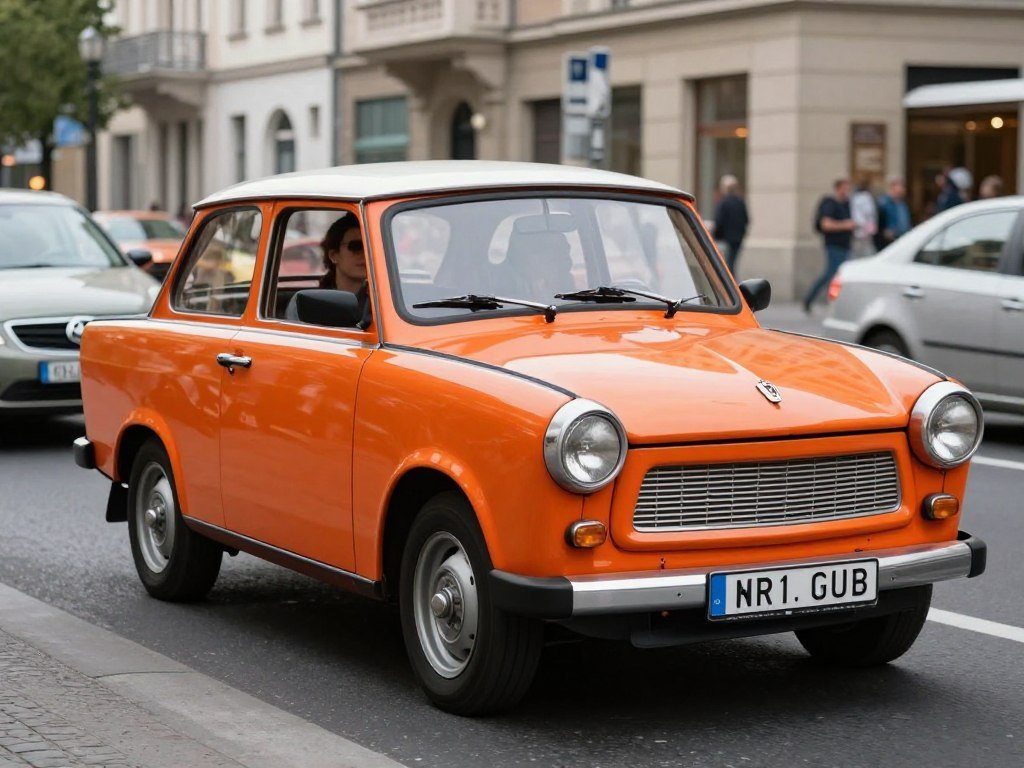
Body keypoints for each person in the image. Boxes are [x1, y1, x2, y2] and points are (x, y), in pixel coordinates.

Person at [286, 212, 369, 325]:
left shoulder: (384, 302)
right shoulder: (307, 303)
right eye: (356, 246)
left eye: (369, 247)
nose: (365, 254)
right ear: (334, 255)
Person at [804, 178, 855, 314]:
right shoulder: (830, 203)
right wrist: (846, 225)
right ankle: (810, 299)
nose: (847, 190)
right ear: (838, 188)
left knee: (837, 276)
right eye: (845, 187)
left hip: (845, 245)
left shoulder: (847, 204)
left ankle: (833, 303)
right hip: (834, 245)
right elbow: (826, 224)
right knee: (831, 275)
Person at [711, 174, 749, 273]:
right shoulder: (740, 202)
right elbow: (746, 220)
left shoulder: (724, 203)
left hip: (725, 240)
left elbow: (719, 221)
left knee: (726, 267)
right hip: (738, 239)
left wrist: (715, 236)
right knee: (731, 264)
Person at [876, 176, 912, 249]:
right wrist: (884, 232)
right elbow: (879, 222)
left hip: (902, 238)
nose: (902, 189)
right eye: (900, 186)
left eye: (903, 187)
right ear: (892, 187)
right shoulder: (883, 203)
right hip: (888, 240)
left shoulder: (903, 204)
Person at [849, 178, 877, 259]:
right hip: (863, 229)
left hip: (857, 229)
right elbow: (869, 212)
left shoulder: (853, 198)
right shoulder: (866, 197)